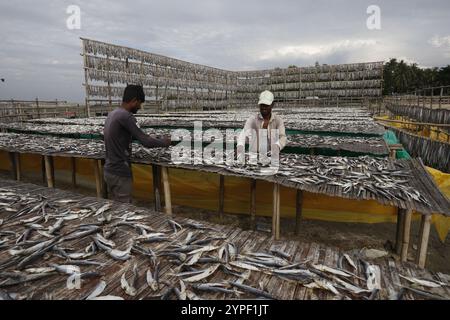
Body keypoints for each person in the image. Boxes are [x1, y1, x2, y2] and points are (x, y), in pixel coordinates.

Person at [103, 85, 170, 203]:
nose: (139, 107)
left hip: (109, 170)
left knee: (116, 204)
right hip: (120, 172)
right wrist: (164, 142)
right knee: (124, 208)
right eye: (139, 103)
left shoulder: (113, 113)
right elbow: (146, 142)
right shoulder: (126, 116)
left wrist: (151, 137)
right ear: (134, 101)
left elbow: (131, 134)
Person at [237, 90, 287, 162]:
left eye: (266, 105)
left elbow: (283, 137)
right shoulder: (252, 119)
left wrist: (277, 146)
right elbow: (243, 134)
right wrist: (240, 146)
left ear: (272, 105)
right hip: (254, 155)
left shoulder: (278, 121)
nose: (264, 107)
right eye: (262, 105)